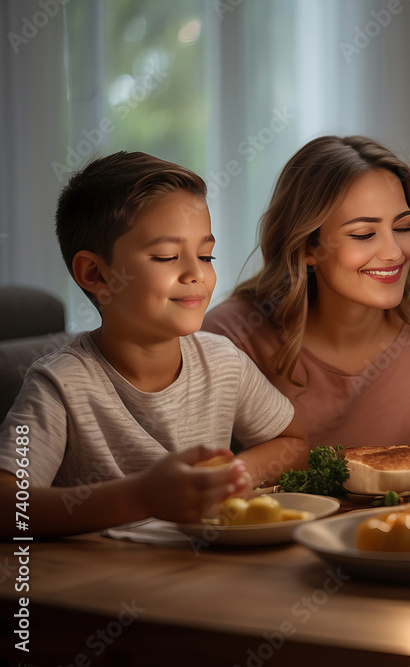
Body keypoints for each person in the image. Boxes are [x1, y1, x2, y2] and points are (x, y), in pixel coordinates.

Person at [0, 152, 307, 538]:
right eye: (167, 256)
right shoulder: (59, 385)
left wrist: (230, 479)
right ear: (96, 274)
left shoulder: (224, 362)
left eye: (205, 255)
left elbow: (292, 442)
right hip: (98, 585)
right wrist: (141, 497)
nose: (196, 274)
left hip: (199, 572)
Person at [203, 136, 410, 449]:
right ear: (309, 247)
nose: (394, 253)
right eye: (364, 234)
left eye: (402, 227)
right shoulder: (233, 336)